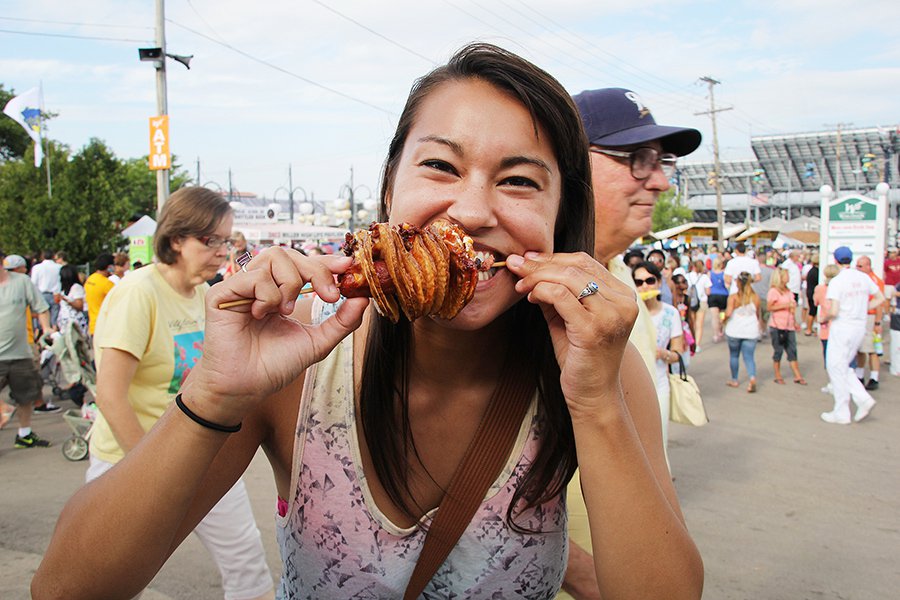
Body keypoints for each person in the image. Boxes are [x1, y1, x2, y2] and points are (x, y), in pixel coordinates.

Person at [33, 44, 703, 600]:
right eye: (440, 165)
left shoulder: (595, 374)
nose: (469, 210)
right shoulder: (294, 355)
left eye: (520, 181)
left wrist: (595, 403)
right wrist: (212, 391)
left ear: (562, 216)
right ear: (389, 192)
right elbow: (66, 589)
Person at [74, 187, 275, 600]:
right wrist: (147, 472)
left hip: (199, 455)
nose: (222, 250)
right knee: (101, 581)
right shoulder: (138, 293)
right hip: (129, 461)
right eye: (211, 240)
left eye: (226, 239)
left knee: (248, 566)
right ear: (176, 239)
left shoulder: (205, 295)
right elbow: (110, 395)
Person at [567, 85, 701, 599]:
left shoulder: (620, 279)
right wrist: (581, 573)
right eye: (636, 160)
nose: (662, 181)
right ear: (569, 164)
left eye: (662, 161)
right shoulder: (527, 291)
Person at [820, 247, 884, 424]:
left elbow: (834, 310)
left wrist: (824, 318)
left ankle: (842, 410)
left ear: (836, 260)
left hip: (843, 326)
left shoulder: (837, 281)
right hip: (859, 325)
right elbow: (880, 297)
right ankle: (862, 399)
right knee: (843, 366)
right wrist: (864, 307)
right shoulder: (863, 278)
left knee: (835, 366)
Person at [1, 254, 55, 447]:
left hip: (20, 353)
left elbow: (41, 308)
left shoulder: (22, 282)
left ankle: (24, 434)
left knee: (26, 395)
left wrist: (47, 328)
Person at [633, 261, 685, 457]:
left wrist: (664, 354)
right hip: (631, 385)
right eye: (638, 282)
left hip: (659, 385)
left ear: (659, 282)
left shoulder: (670, 314)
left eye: (649, 280)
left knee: (659, 439)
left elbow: (678, 353)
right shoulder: (629, 311)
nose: (644, 286)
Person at [767, 267, 806, 385]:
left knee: (792, 350)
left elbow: (792, 308)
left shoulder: (788, 291)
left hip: (789, 325)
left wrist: (794, 322)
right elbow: (770, 307)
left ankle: (797, 374)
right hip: (777, 325)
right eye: (786, 276)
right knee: (778, 350)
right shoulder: (773, 291)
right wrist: (785, 305)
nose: (788, 278)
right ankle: (777, 374)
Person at [723, 272, 760, 392]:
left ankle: (734, 379)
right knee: (749, 357)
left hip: (735, 329)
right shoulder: (755, 297)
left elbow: (728, 313)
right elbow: (758, 314)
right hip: (751, 330)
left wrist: (722, 320)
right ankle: (752, 377)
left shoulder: (734, 297)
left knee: (734, 355)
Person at [853, 255, 885, 391]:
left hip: (870, 318)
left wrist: (877, 323)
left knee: (872, 350)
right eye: (857, 265)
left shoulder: (875, 281)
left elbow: (879, 303)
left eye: (860, 266)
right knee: (860, 349)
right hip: (860, 317)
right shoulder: (860, 279)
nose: (857, 268)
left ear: (868, 266)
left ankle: (874, 377)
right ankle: (859, 375)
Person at [814, 264, 840, 394]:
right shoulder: (841, 289)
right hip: (839, 326)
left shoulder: (820, 289)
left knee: (828, 357)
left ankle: (832, 382)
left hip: (826, 325)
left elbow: (816, 302)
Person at [83, 254, 115, 337]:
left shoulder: (90, 279)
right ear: (109, 267)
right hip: (104, 325)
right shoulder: (107, 284)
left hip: (93, 325)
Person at [30, 250, 61, 328]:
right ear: (53, 256)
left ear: (43, 257)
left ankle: (43, 335)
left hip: (41, 294)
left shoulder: (37, 267)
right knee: (54, 319)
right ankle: (54, 334)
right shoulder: (59, 267)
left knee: (42, 318)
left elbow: (33, 283)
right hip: (55, 294)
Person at [686, 259, 711, 351]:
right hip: (702, 301)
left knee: (691, 323)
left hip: (689, 301)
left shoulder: (687, 276)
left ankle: (692, 342)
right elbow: (708, 291)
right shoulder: (704, 277)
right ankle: (697, 344)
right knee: (699, 324)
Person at [57, 264, 88, 334]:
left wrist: (66, 300)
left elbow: (79, 305)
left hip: (75, 322)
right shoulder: (64, 289)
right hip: (64, 321)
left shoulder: (76, 287)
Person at [707, 256, 729, 342]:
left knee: (714, 317)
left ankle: (716, 334)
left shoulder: (710, 273)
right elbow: (727, 285)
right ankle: (721, 328)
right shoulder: (724, 274)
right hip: (723, 295)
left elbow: (708, 285)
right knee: (722, 314)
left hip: (713, 295)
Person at [803, 254, 819, 336]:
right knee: (812, 312)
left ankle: (810, 328)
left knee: (812, 311)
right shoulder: (815, 272)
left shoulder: (811, 270)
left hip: (810, 292)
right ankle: (809, 329)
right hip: (813, 293)